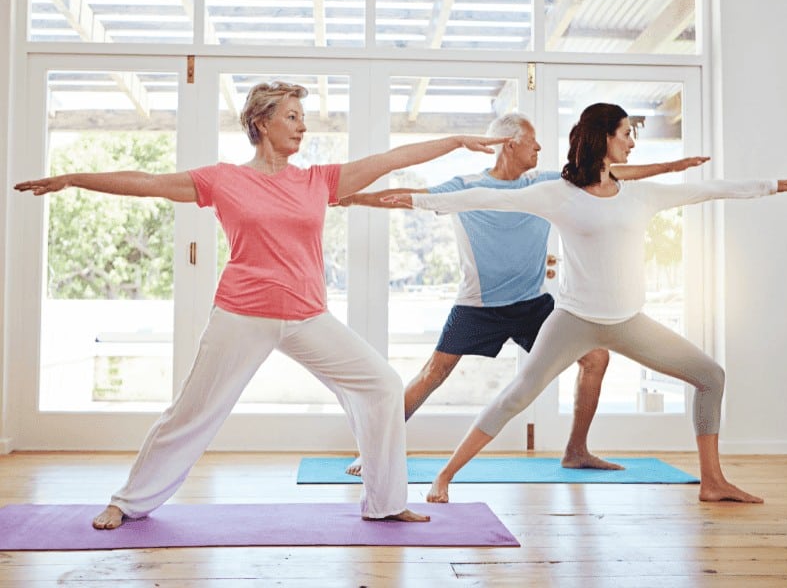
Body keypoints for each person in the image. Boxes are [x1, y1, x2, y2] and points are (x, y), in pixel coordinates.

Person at [14, 81, 509, 529]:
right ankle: (127, 501)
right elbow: (147, 181)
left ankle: (384, 501)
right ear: (261, 123)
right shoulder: (223, 179)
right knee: (191, 411)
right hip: (241, 314)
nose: (302, 125)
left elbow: (393, 158)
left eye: (301, 116)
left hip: (307, 316)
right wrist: (74, 178)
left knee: (380, 383)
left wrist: (456, 142)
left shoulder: (319, 180)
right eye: (291, 116)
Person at [386, 102, 787, 504]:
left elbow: (707, 190)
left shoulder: (640, 195)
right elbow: (482, 198)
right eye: (625, 134)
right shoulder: (559, 193)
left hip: (629, 322)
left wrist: (770, 186)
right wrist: (415, 200)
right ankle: (445, 475)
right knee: (516, 396)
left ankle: (713, 481)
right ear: (603, 138)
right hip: (574, 320)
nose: (632, 143)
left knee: (711, 376)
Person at [338, 112, 708, 476]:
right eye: (533, 142)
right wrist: (354, 199)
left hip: (533, 303)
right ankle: (372, 450)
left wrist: (673, 166)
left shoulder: (547, 184)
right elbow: (407, 196)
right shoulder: (464, 186)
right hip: (479, 305)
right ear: (509, 144)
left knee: (595, 359)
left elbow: (615, 174)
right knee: (434, 372)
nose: (540, 148)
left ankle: (576, 451)